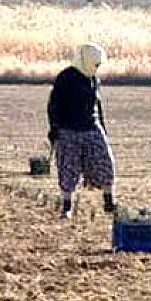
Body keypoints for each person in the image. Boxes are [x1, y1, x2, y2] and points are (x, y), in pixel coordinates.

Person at [47, 43, 117, 219]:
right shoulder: (66, 77)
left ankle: (109, 201)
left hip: (91, 127)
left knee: (105, 162)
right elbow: (54, 105)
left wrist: (103, 127)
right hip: (68, 130)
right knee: (68, 168)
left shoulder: (93, 79)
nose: (96, 68)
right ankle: (67, 206)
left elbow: (97, 105)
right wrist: (54, 128)